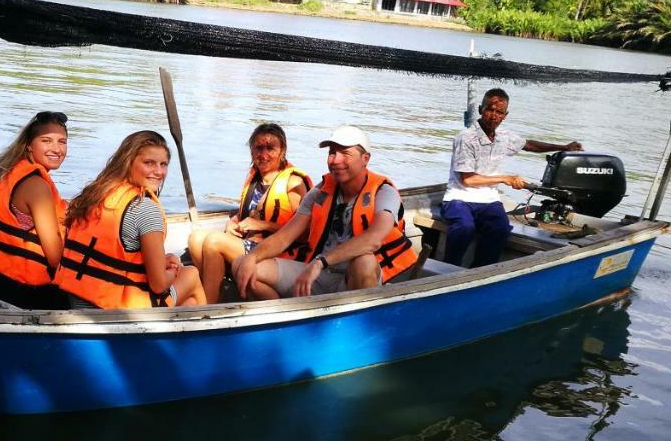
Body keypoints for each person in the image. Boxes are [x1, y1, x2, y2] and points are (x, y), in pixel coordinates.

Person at [233, 125, 418, 299]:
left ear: (365, 159)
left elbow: (373, 239)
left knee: (365, 262)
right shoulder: (321, 192)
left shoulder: (384, 193)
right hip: (319, 275)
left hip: (352, 280)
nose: (336, 160)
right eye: (332, 153)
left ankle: (353, 326)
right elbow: (284, 237)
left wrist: (321, 261)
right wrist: (253, 257)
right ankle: (288, 323)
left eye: (345, 153)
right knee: (242, 265)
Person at [57, 130, 205, 309]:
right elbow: (158, 285)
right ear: (128, 162)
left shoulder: (96, 195)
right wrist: (173, 270)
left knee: (187, 300)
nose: (158, 172)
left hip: (79, 299)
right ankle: (210, 330)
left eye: (163, 164)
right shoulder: (145, 209)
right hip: (119, 311)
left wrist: (161, 262)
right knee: (191, 273)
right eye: (149, 163)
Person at [442, 88, 582, 267]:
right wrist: (505, 179)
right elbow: (467, 179)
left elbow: (530, 145)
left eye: (499, 112)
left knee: (500, 229)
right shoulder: (466, 138)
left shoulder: (504, 137)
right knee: (464, 227)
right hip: (458, 198)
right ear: (480, 109)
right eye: (489, 109)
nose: (493, 116)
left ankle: (479, 272)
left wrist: (564, 147)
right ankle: (448, 268)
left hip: (488, 200)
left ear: (505, 115)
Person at [187, 123, 312, 303]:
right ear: (251, 151)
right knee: (196, 238)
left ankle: (208, 306)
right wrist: (233, 222)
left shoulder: (293, 184)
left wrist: (263, 225)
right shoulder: (256, 179)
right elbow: (248, 213)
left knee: (214, 241)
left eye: (270, 148)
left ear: (282, 151)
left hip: (277, 253)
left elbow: (305, 235)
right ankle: (217, 292)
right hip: (249, 243)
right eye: (258, 148)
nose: (263, 154)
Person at [0, 111, 71, 309]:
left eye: (62, 142)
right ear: (30, 145)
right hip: (24, 292)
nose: (56, 149)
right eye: (46, 141)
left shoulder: (10, 170)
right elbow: (56, 258)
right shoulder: (37, 186)